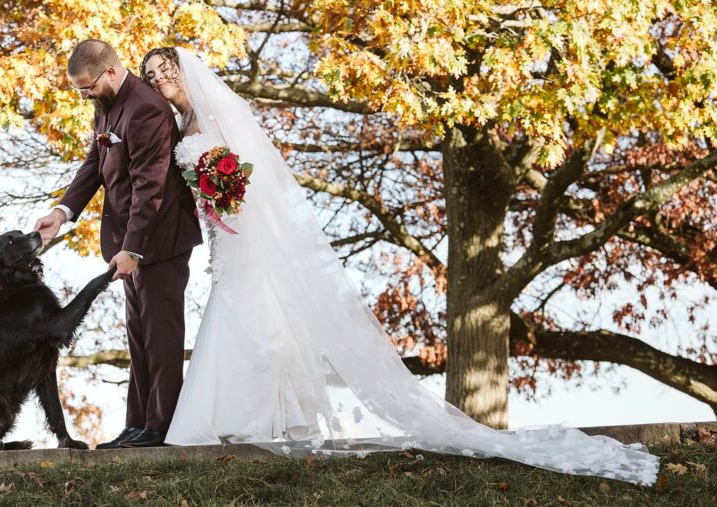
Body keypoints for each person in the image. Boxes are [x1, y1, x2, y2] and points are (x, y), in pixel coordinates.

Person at [137, 46, 659, 485]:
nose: (162, 79)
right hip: (222, 234)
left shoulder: (219, 114)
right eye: (153, 75)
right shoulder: (182, 123)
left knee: (251, 312)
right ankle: (266, 417)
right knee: (247, 313)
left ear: (186, 70)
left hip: (244, 232)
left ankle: (236, 418)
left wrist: (223, 191)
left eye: (167, 70)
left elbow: (251, 178)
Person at [34, 40, 202, 449]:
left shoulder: (146, 109)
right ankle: (138, 423)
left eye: (87, 87)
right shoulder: (107, 102)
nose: (85, 95)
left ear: (109, 72)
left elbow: (150, 185)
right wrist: (62, 213)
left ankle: (160, 428)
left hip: (158, 239)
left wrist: (134, 248)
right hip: (128, 243)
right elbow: (95, 161)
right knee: (139, 335)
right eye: (79, 90)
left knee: (160, 334)